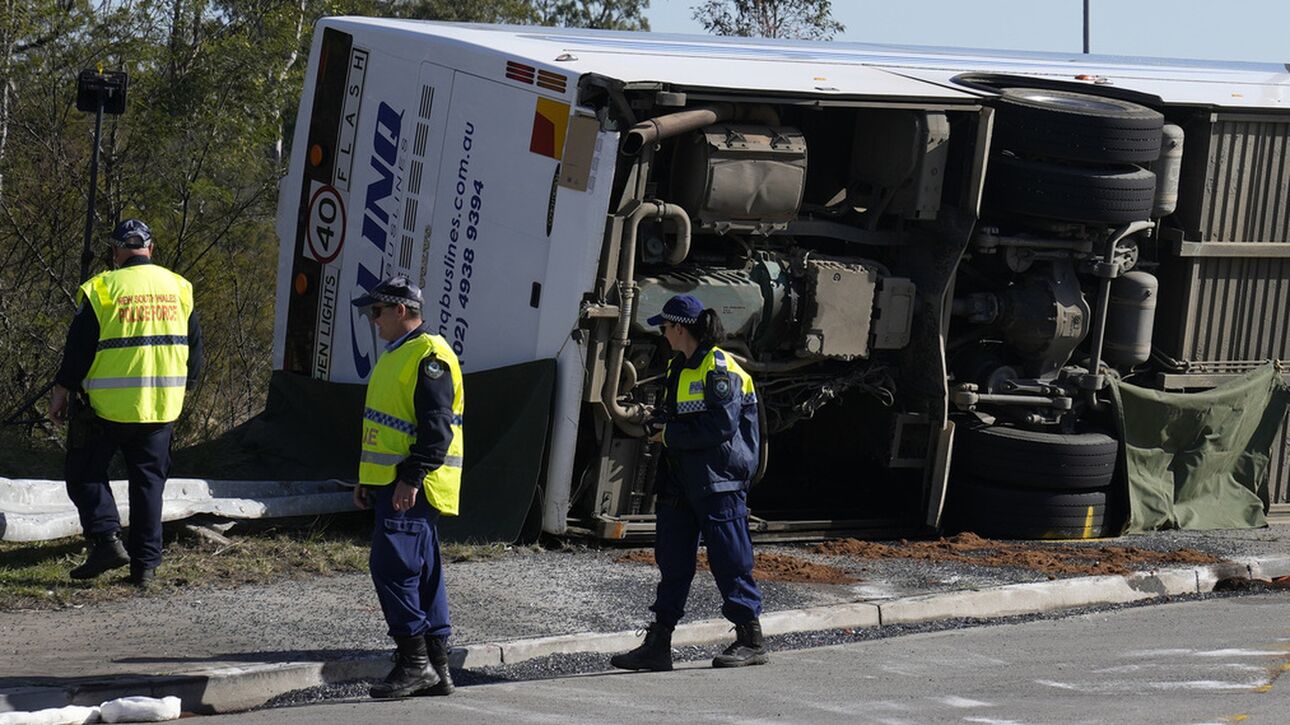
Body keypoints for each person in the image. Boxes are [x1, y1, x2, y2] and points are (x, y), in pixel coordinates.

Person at [610, 293, 768, 672]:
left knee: (730, 560)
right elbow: (681, 415)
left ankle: (751, 640)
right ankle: (659, 643)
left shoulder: (719, 368)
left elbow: (720, 427)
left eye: (665, 328)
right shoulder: (678, 368)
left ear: (680, 327)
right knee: (673, 562)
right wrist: (659, 420)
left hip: (719, 482)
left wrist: (667, 434)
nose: (663, 335)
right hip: (683, 483)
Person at [48, 218, 203, 588]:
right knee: (148, 485)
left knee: (83, 472)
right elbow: (195, 350)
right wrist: (186, 385)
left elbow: (78, 350)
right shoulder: (179, 287)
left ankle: (105, 540)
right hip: (161, 406)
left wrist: (62, 390)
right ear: (150, 249)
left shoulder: (102, 289)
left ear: (116, 251)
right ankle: (145, 568)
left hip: (108, 408)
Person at [351, 275, 464, 699]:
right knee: (425, 575)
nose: (372, 320)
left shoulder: (428, 356)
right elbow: (387, 424)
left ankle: (415, 662)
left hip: (412, 486)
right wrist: (369, 478)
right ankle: (437, 666)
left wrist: (410, 477)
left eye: (376, 311)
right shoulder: (401, 353)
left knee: (392, 568)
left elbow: (437, 430)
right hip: (393, 483)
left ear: (401, 311)